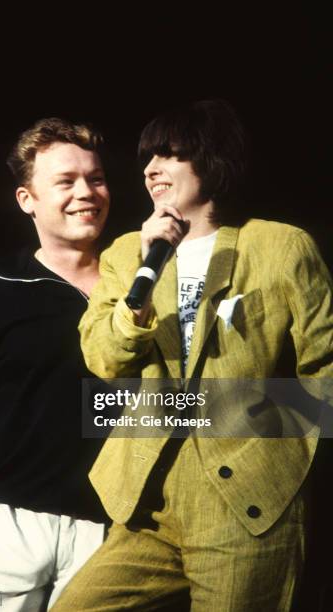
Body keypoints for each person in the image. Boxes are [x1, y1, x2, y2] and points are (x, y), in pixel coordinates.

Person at [52, 100, 333, 611]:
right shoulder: (124, 253)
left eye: (167, 154)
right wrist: (144, 278)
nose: (150, 170)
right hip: (146, 498)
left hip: (245, 501)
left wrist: (271, 448)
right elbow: (103, 358)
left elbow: (325, 367)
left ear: (212, 159)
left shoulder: (281, 247)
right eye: (146, 160)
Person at [0, 117, 110, 611]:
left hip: (112, 533)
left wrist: (304, 410)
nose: (87, 193)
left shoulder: (141, 283)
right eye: (65, 181)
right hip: (6, 529)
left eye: (96, 178)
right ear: (26, 200)